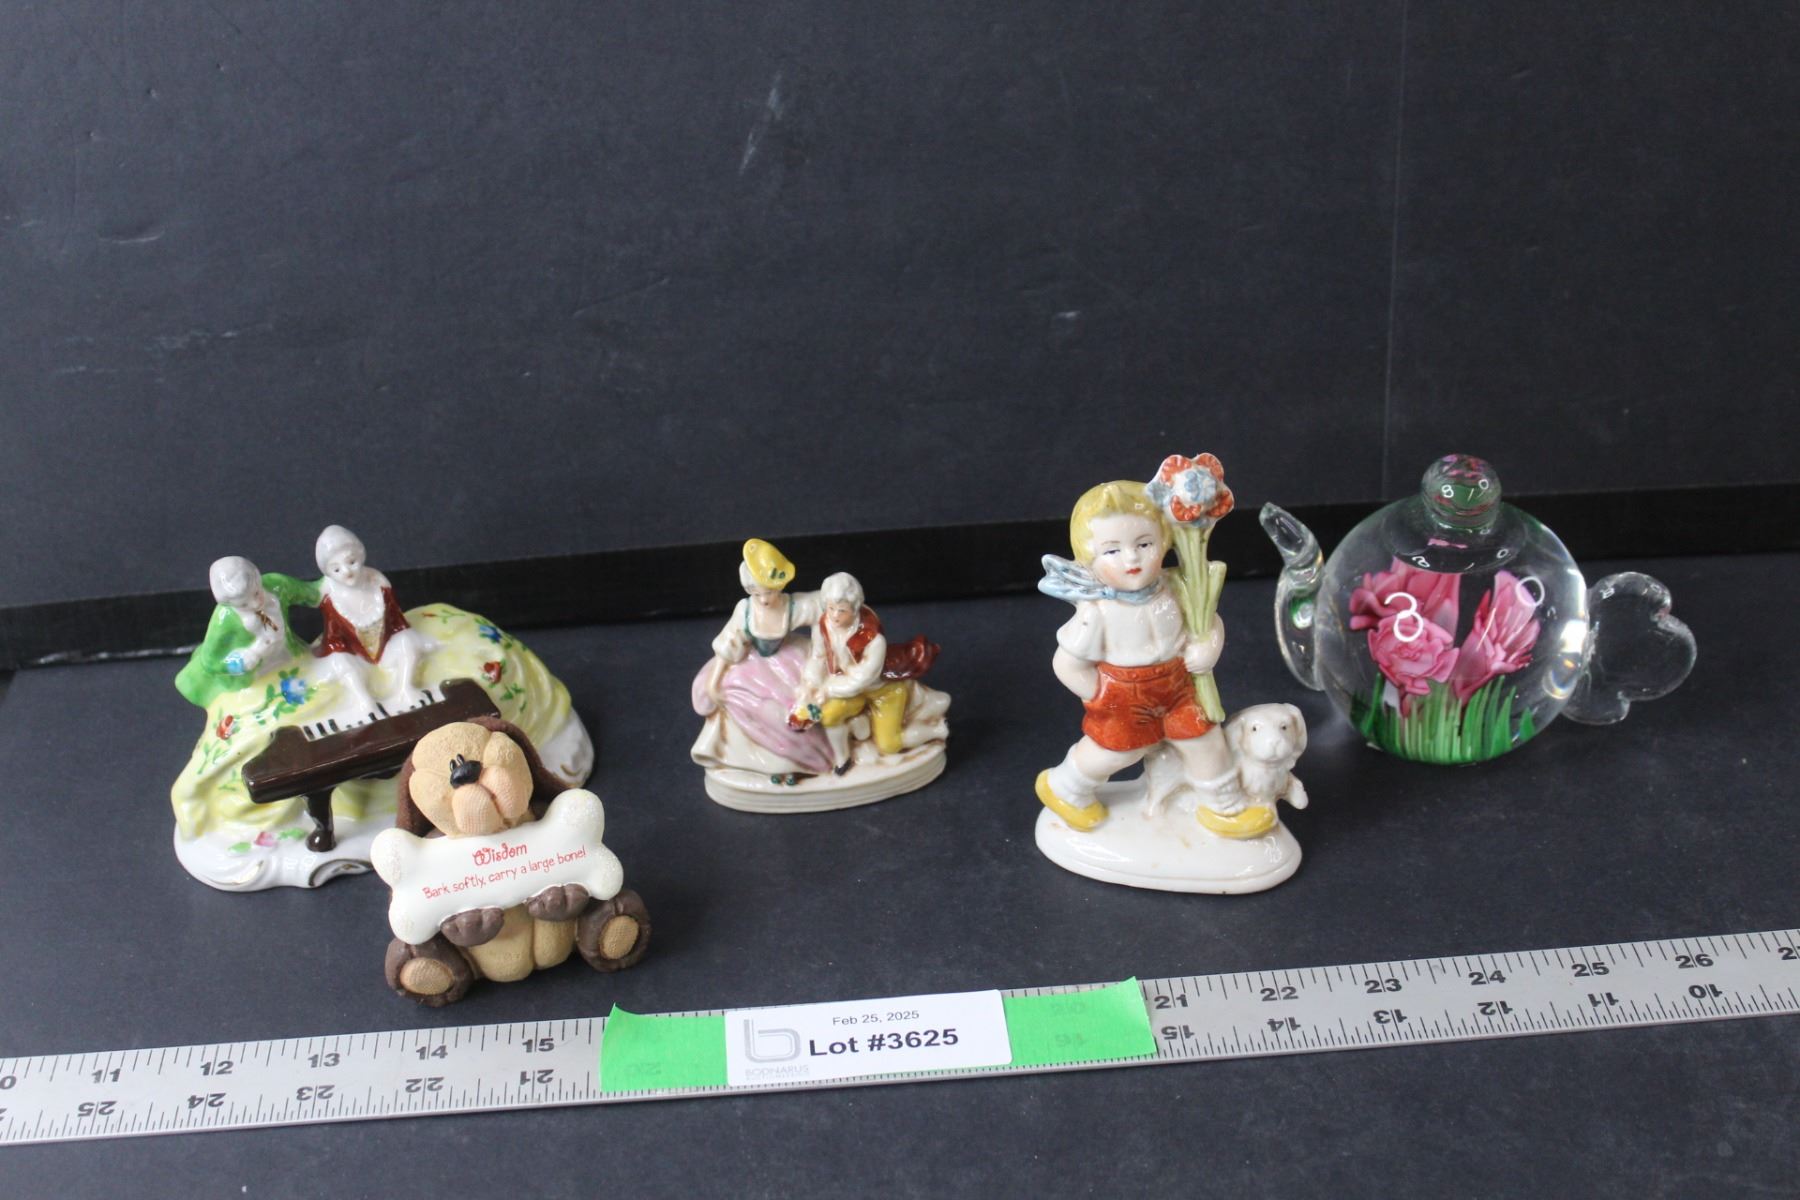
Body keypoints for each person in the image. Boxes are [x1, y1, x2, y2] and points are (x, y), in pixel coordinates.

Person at [1036, 481, 1230, 830]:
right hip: (1125, 692)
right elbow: (1066, 664)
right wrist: (1102, 696)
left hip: (1178, 684)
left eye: (1144, 544)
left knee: (1205, 738)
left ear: (1164, 542)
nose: (1131, 558)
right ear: (1089, 558)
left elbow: (1209, 621)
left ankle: (1223, 805)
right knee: (1119, 751)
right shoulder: (1097, 611)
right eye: (1112, 550)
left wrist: (1208, 648)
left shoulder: (1177, 587)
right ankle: (1065, 787)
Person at [690, 539, 835, 782]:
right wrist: (714, 681)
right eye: (757, 593)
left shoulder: (792, 605)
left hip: (789, 659)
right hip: (752, 662)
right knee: (741, 697)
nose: (765, 599)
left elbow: (822, 605)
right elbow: (729, 642)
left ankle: (805, 761)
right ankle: (761, 761)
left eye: (769, 592)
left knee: (796, 707)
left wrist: (822, 647)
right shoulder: (746, 609)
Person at [792, 572, 940, 773]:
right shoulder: (823, 626)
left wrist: (827, 689)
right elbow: (818, 657)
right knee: (828, 716)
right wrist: (811, 683)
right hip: (849, 691)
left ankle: (937, 730)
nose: (834, 615)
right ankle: (843, 758)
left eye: (842, 610)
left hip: (883, 690)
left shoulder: (873, 639)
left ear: (855, 609)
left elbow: (861, 679)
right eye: (831, 608)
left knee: (889, 745)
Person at [313, 525, 434, 713]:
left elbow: (396, 621)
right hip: (359, 659)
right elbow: (334, 638)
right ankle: (364, 701)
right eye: (336, 569)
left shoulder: (379, 584)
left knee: (407, 640)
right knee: (340, 661)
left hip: (386, 652)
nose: (347, 571)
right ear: (328, 573)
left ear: (360, 556)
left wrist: (408, 638)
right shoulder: (331, 599)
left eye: (351, 562)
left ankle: (405, 688)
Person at [174, 557, 321, 708]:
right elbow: (210, 662)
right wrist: (243, 659)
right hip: (256, 679)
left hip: (291, 657)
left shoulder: (276, 585)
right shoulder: (224, 619)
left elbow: (312, 593)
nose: (255, 604)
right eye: (244, 604)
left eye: (256, 593)